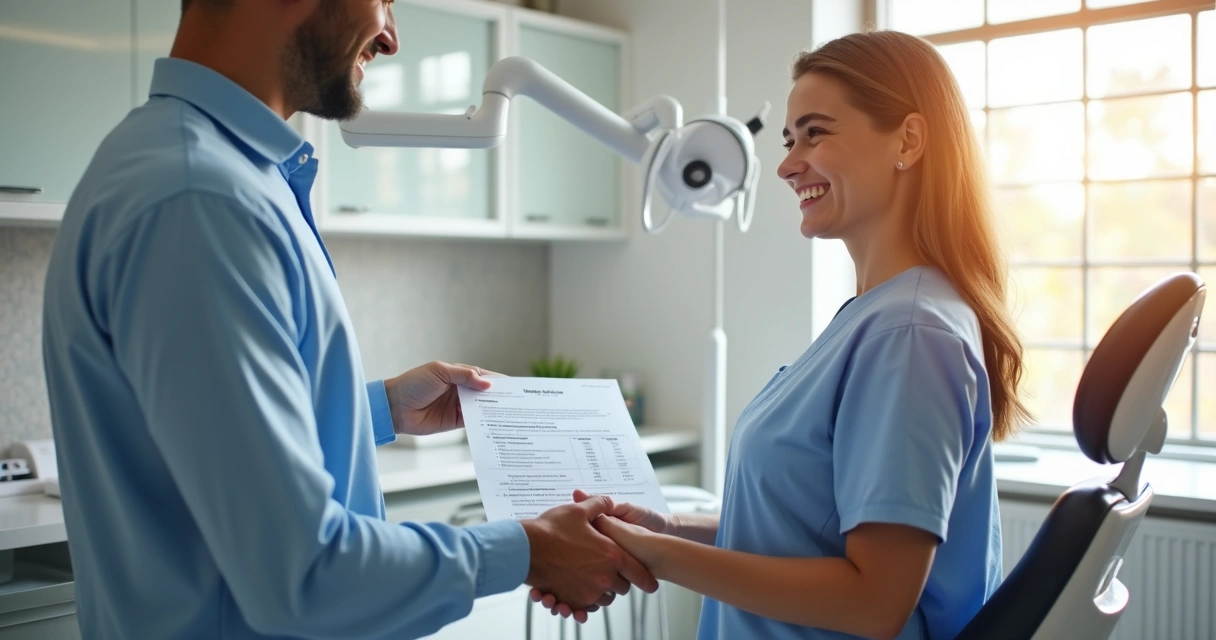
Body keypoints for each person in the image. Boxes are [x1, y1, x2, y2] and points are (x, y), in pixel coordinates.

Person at [40, 0, 654, 637]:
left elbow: (204, 439)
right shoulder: (199, 202)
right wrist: (529, 550)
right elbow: (302, 574)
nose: (390, 37)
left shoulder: (205, 173)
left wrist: (379, 409)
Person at [535, 30, 1030, 639]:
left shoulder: (909, 332)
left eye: (816, 133)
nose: (787, 164)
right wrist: (661, 529)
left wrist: (657, 556)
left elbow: (874, 601)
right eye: (790, 138)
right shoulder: (876, 317)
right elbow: (803, 535)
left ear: (908, 139)